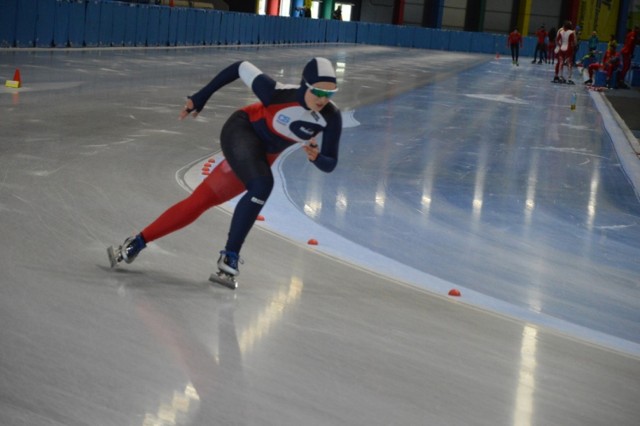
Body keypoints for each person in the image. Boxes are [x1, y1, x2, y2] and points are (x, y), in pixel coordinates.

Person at [108, 58, 342, 282]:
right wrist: (201, 96)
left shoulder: (331, 117)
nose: (323, 99)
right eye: (318, 92)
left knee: (201, 201)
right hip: (241, 130)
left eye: (329, 94)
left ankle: (136, 243)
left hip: (262, 156)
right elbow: (240, 67)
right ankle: (230, 256)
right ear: (304, 85)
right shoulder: (276, 93)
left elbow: (330, 163)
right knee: (262, 185)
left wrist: (316, 158)